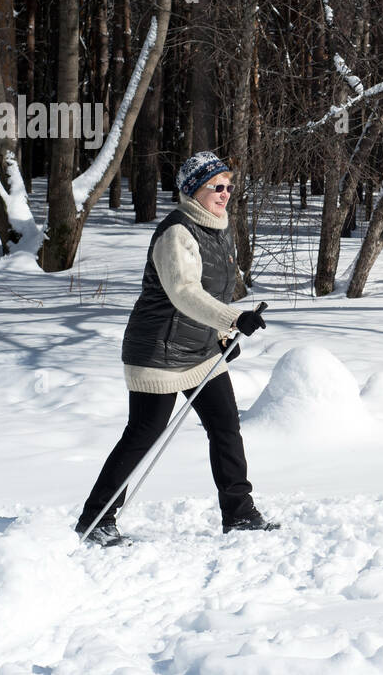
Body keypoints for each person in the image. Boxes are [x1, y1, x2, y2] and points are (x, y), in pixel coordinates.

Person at [75, 150, 279, 546]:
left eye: (228, 186)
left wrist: (221, 337)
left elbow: (211, 291)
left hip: (199, 352)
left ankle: (238, 513)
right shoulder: (177, 233)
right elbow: (184, 294)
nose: (225, 194)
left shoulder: (218, 227)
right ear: (192, 191)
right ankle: (96, 518)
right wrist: (233, 320)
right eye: (215, 187)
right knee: (143, 435)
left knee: (225, 428)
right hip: (157, 352)